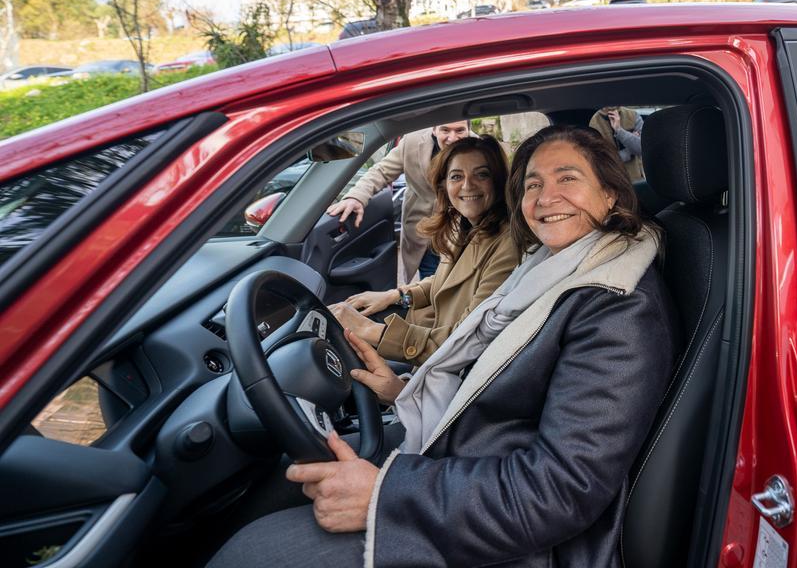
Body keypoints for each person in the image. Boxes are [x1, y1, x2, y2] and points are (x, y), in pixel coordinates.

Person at [209, 125, 677, 568]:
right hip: (468, 467)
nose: (545, 198)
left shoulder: (618, 310)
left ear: (611, 194)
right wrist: (400, 390)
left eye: (567, 179)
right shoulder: (551, 265)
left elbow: (559, 491)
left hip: (520, 541)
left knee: (254, 554)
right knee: (288, 476)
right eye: (533, 184)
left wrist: (384, 495)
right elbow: (500, 382)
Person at [330, 135, 520, 366]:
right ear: (443, 185)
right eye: (456, 176)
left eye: (482, 174)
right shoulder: (463, 225)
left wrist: (369, 329)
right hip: (429, 331)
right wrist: (397, 295)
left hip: (444, 358)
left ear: (499, 182)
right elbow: (445, 282)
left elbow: (466, 342)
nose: (468, 185)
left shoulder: (508, 245)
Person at [327, 121, 471, 283]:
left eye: (460, 130)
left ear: (469, 130)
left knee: (459, 282)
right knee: (429, 280)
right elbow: (382, 171)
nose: (452, 138)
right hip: (423, 231)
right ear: (434, 129)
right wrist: (356, 196)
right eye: (445, 130)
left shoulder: (479, 148)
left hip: (462, 232)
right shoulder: (412, 142)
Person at [589, 105, 644, 181]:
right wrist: (629, 150)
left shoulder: (633, 115)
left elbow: (642, 148)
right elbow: (602, 160)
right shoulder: (594, 122)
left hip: (637, 178)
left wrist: (619, 131)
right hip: (612, 180)